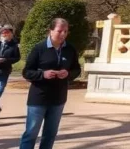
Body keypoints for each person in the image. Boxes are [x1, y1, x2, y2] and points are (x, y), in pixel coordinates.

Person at [19, 17, 82, 149]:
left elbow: (76, 69)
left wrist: (68, 74)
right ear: (51, 31)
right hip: (39, 98)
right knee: (31, 133)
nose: (63, 34)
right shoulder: (39, 48)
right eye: (60, 31)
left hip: (58, 98)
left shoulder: (70, 49)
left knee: (50, 134)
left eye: (66, 31)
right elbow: (27, 72)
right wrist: (43, 74)